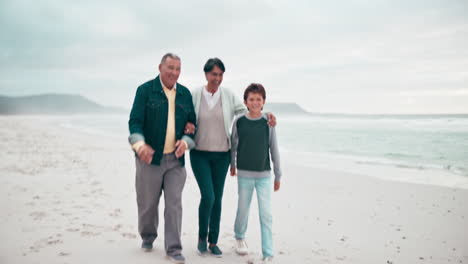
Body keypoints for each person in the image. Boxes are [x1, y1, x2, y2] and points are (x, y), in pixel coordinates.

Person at [190, 58, 276, 257]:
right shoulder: (195, 94)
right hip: (199, 154)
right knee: (208, 196)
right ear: (206, 74)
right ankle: (202, 238)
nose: (217, 78)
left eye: (220, 74)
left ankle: (213, 242)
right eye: (214, 74)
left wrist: (268, 115)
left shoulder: (227, 95)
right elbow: (185, 116)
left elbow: (249, 111)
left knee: (217, 199)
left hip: (222, 156)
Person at [128, 53, 196, 264]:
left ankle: (174, 248)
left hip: (175, 161)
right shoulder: (145, 91)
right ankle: (148, 236)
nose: (174, 73)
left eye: (178, 69)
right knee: (147, 204)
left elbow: (193, 126)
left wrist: (186, 141)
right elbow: (135, 122)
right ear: (160, 67)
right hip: (150, 159)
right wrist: (140, 146)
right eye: (170, 68)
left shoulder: (185, 94)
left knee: (174, 204)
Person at [230, 83, 282, 263]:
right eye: (251, 99)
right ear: (245, 101)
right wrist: (232, 165)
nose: (255, 102)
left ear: (264, 102)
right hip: (244, 174)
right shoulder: (239, 122)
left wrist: (278, 174)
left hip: (264, 177)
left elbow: (274, 148)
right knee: (243, 209)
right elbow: (233, 145)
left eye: (258, 99)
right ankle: (239, 236)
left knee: (266, 214)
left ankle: (268, 252)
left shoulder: (268, 123)